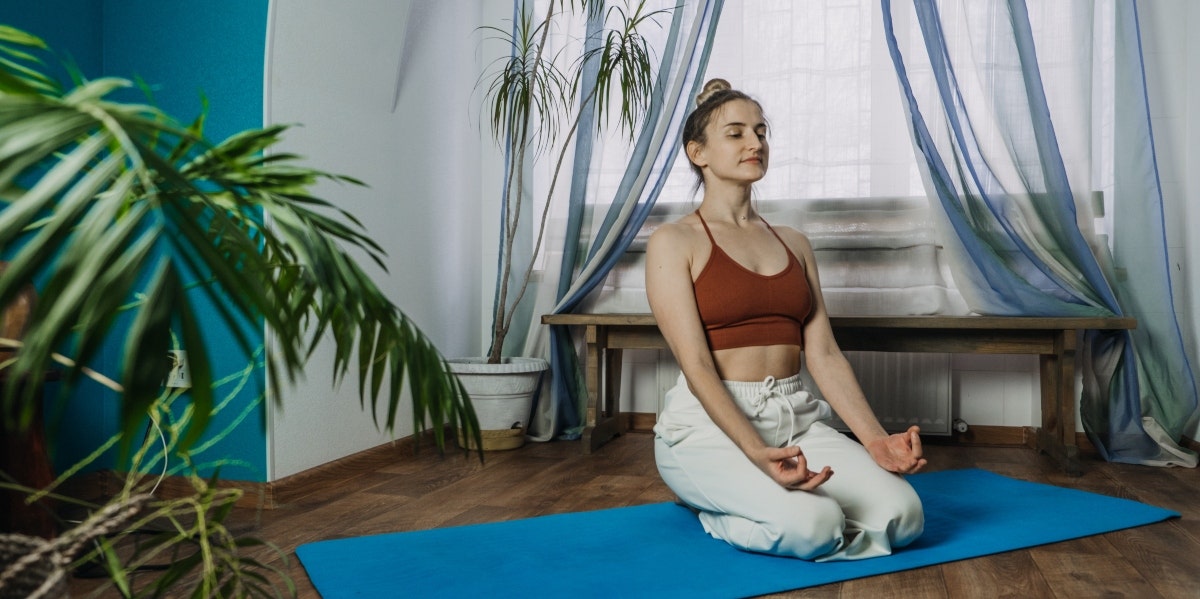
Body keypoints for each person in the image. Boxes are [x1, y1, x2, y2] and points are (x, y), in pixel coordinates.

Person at [646, 79, 926, 561]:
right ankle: (711, 502)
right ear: (698, 152)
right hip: (709, 427)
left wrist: (876, 440)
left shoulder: (794, 242)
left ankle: (774, 503)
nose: (755, 143)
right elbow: (697, 367)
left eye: (761, 131)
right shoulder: (673, 242)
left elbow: (823, 353)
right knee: (816, 529)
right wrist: (755, 452)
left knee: (903, 518)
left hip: (794, 417)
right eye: (735, 133)